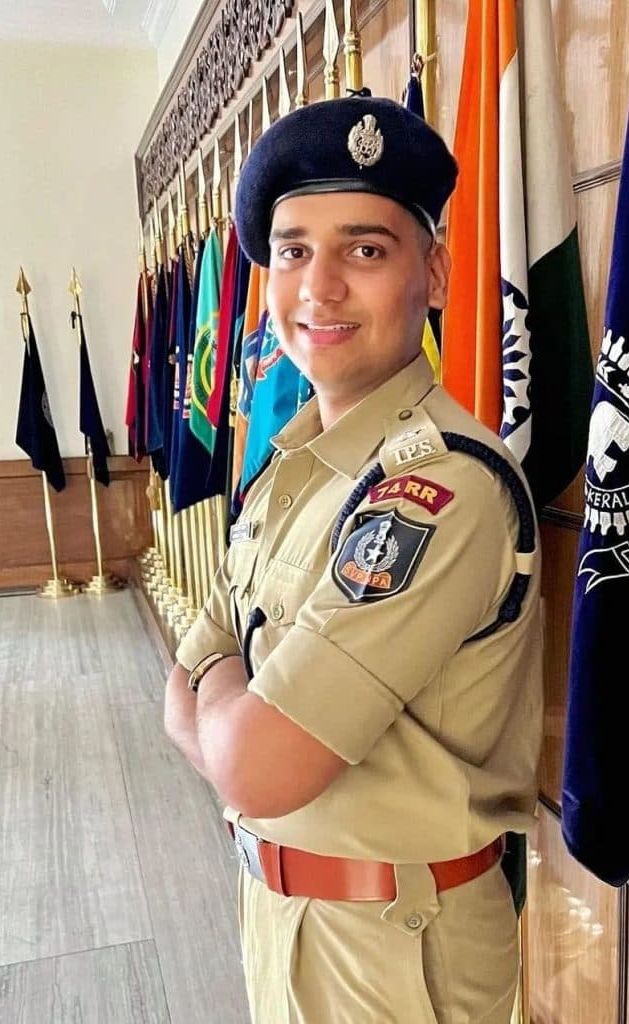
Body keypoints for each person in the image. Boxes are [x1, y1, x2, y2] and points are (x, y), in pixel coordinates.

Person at [164, 95, 543, 1024]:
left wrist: (219, 691)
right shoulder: (293, 466)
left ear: (435, 274)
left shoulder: (435, 491)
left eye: (364, 250)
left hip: (396, 946)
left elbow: (254, 767)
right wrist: (225, 701)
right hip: (282, 909)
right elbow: (186, 680)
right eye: (292, 251)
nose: (319, 288)